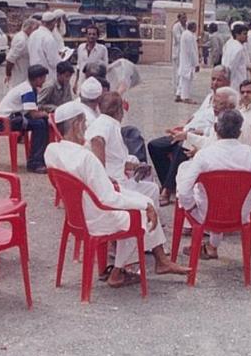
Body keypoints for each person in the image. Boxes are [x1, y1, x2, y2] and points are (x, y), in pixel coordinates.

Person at [45, 102, 190, 288]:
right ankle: (117, 272)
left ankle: (160, 261)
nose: (87, 128)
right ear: (76, 125)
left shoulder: (52, 151)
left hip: (77, 215)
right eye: (84, 123)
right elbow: (109, 199)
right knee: (141, 214)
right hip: (96, 216)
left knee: (142, 201)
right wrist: (145, 205)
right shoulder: (87, 158)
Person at [176, 110, 251, 259]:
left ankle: (211, 246)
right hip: (240, 214)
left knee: (198, 188)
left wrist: (190, 207)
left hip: (206, 214)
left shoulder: (204, 155)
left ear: (215, 129)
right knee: (224, 196)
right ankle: (211, 246)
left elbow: (184, 190)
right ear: (239, 133)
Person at [148, 66, 230, 205]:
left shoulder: (227, 99)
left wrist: (196, 132)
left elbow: (220, 128)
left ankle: (166, 190)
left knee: (180, 147)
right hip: (186, 132)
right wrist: (185, 126)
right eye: (213, 79)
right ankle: (171, 183)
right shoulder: (210, 96)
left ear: (227, 82)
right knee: (154, 145)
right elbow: (197, 115)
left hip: (201, 138)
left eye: (219, 80)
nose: (215, 83)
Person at [86, 92, 159, 204]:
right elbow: (97, 140)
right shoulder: (107, 125)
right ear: (119, 111)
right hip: (114, 187)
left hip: (110, 179)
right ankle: (149, 221)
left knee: (136, 162)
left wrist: (136, 167)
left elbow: (115, 160)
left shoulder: (102, 122)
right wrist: (103, 176)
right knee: (153, 189)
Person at [0, 64, 51, 173]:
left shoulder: (28, 87)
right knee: (40, 124)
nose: (44, 81)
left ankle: (38, 158)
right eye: (43, 78)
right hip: (4, 122)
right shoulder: (27, 90)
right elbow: (33, 114)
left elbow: (31, 111)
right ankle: (35, 163)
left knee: (42, 123)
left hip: (13, 118)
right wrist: (45, 114)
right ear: (38, 78)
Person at [4, 18, 40, 88]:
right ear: (30, 28)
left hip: (24, 74)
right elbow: (10, 59)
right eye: (36, 29)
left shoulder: (24, 37)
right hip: (19, 76)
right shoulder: (22, 40)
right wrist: (8, 74)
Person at [28, 11, 61, 84]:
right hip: (46, 78)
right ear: (53, 23)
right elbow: (54, 62)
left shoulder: (33, 34)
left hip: (33, 75)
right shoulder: (48, 38)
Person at [74, 24, 108, 93]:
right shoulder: (80, 47)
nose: (91, 36)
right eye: (89, 34)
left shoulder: (102, 49)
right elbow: (78, 66)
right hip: (82, 81)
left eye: (94, 34)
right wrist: (75, 83)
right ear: (86, 35)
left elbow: (105, 68)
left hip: (95, 83)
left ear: (97, 36)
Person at [176, 21, 199, 104]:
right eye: (196, 27)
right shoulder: (189, 35)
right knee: (187, 80)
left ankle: (178, 94)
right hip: (188, 62)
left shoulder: (186, 34)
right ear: (193, 27)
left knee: (182, 79)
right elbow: (192, 51)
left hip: (184, 60)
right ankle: (185, 97)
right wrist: (196, 64)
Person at [222, 22, 249, 91]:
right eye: (244, 34)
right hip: (236, 82)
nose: (247, 36)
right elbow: (231, 67)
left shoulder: (230, 44)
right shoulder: (238, 48)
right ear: (237, 35)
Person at [171, 13, 186, 101]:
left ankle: (181, 89)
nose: (185, 20)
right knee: (176, 72)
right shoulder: (176, 27)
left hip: (183, 54)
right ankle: (176, 89)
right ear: (179, 18)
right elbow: (179, 38)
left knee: (182, 71)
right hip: (177, 53)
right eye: (183, 18)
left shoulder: (185, 27)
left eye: (185, 18)